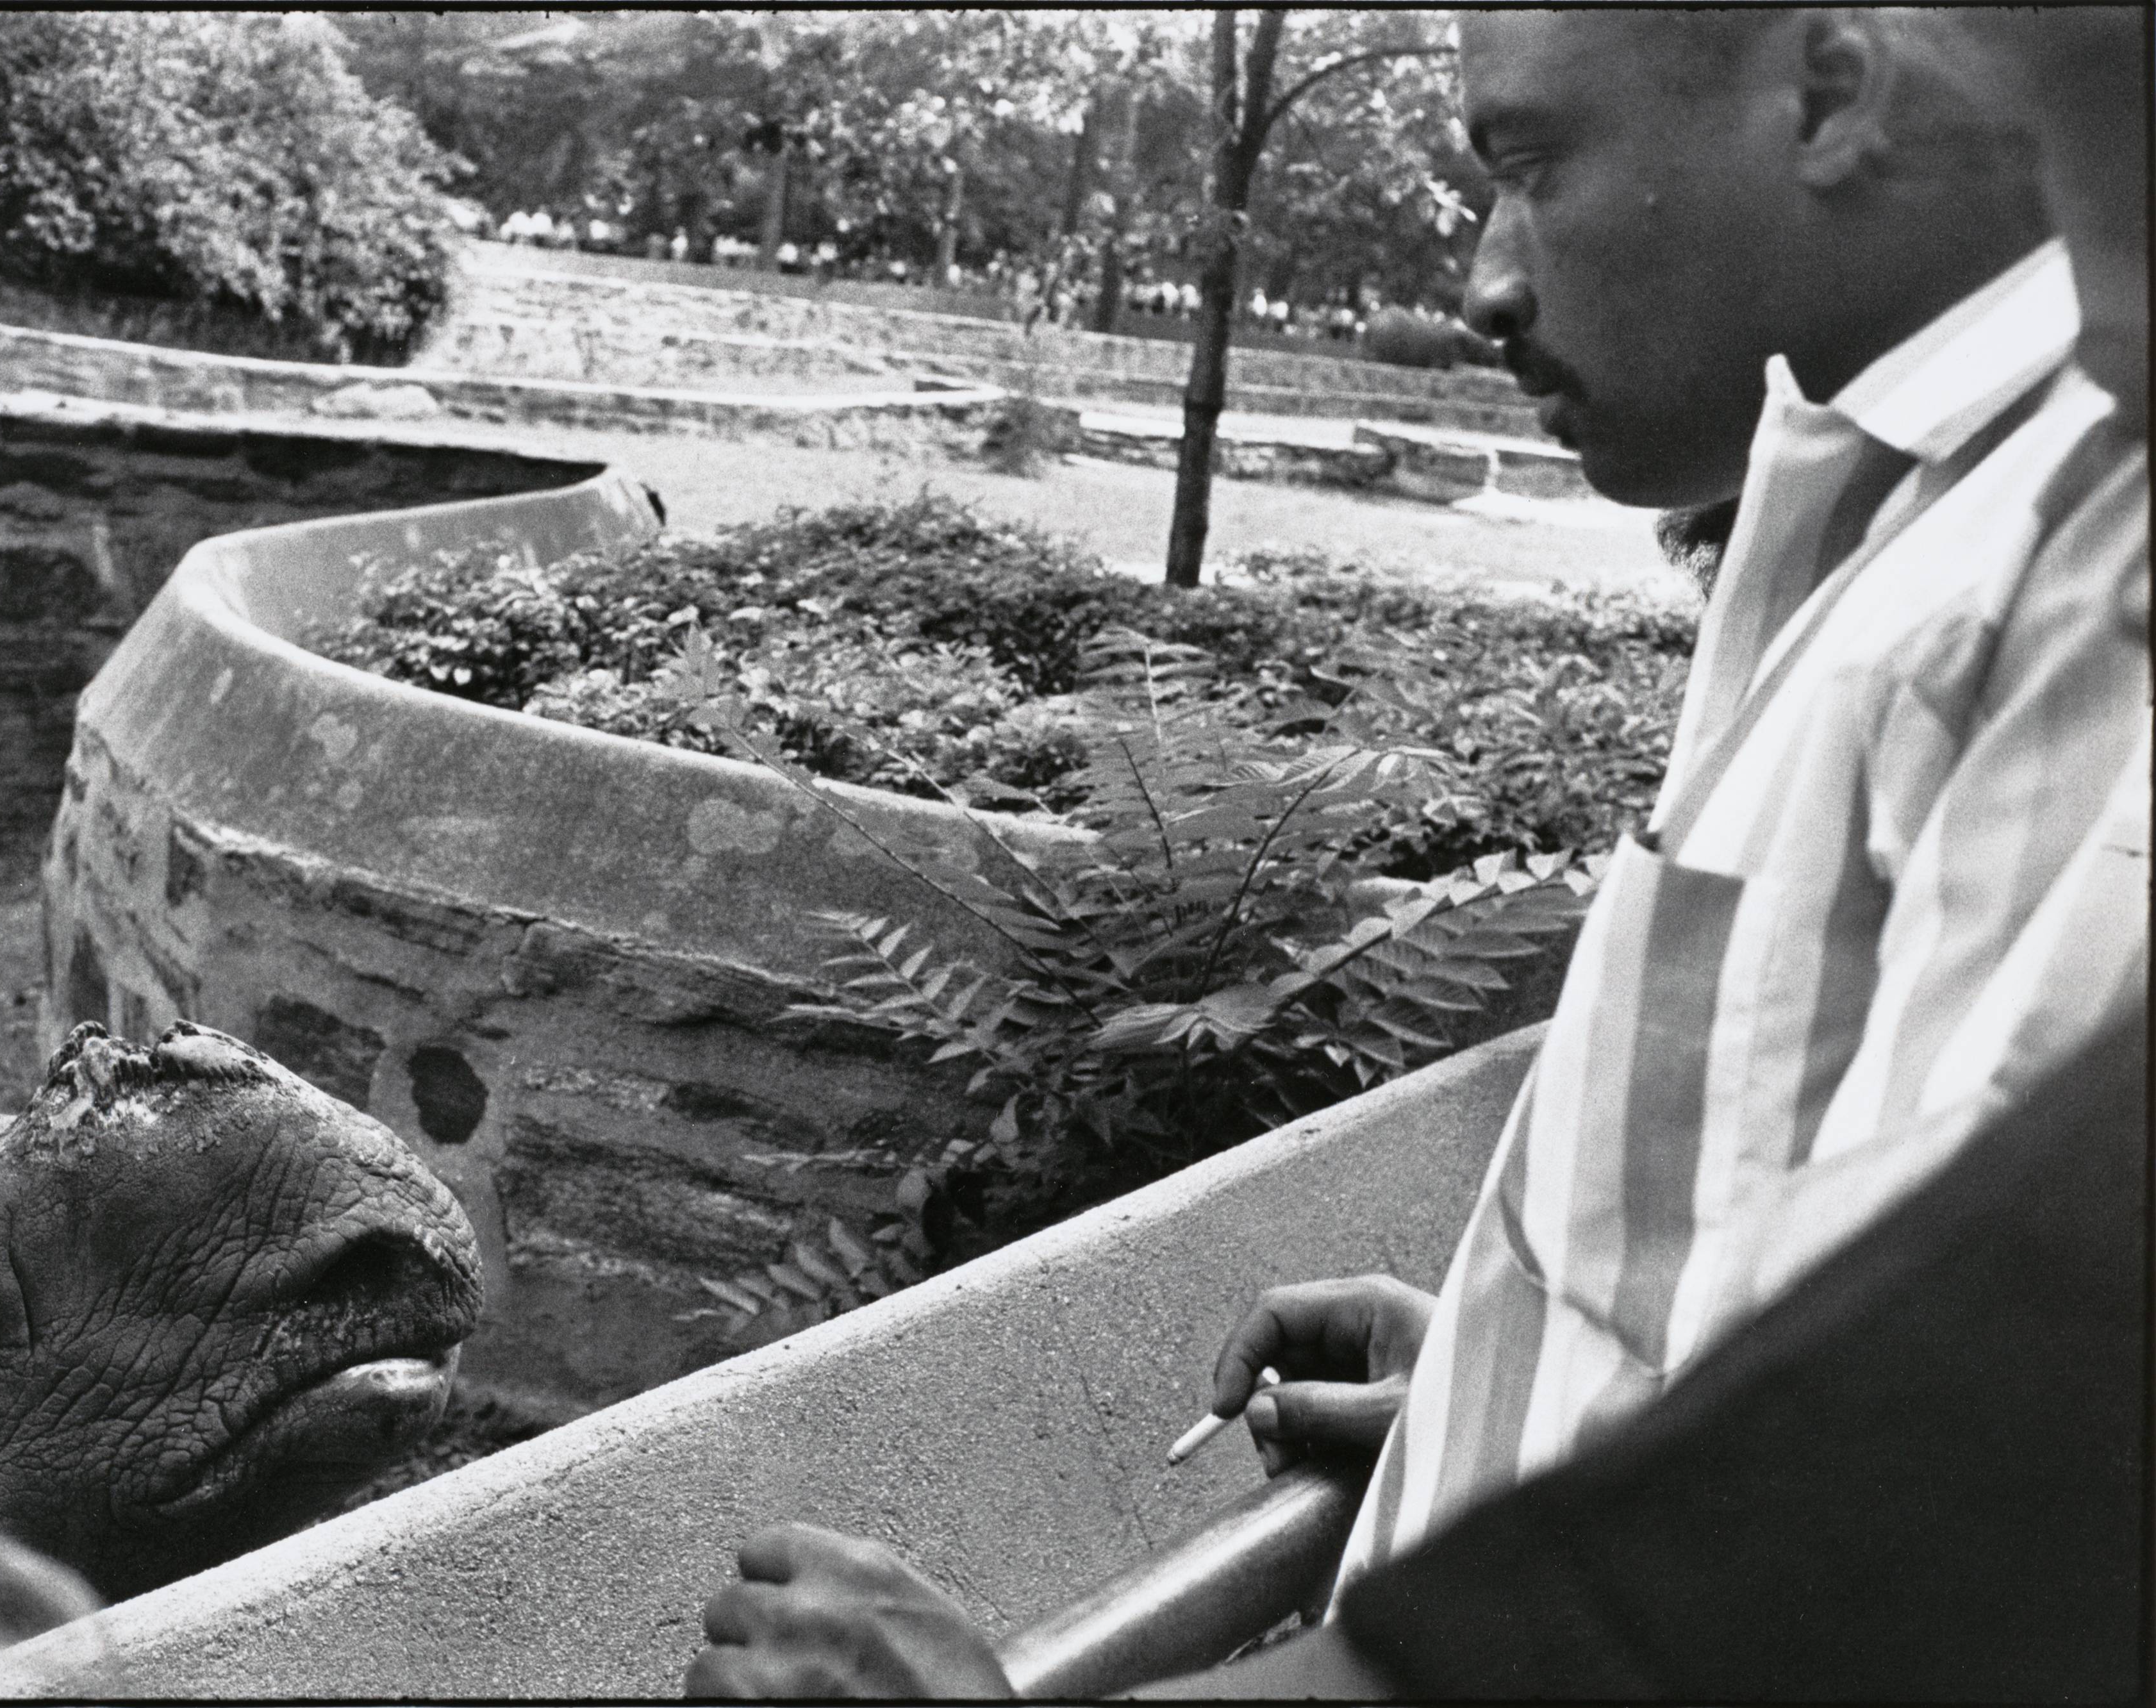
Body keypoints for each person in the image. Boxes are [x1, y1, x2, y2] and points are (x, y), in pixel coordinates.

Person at [683, 9, 2148, 1696]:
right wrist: (1519, 1394)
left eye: (1531, 164)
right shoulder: (1874, 506)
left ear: (1828, 94)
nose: (1483, 289)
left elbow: (1891, 1569)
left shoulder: (2071, 577)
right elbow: (1852, 1327)